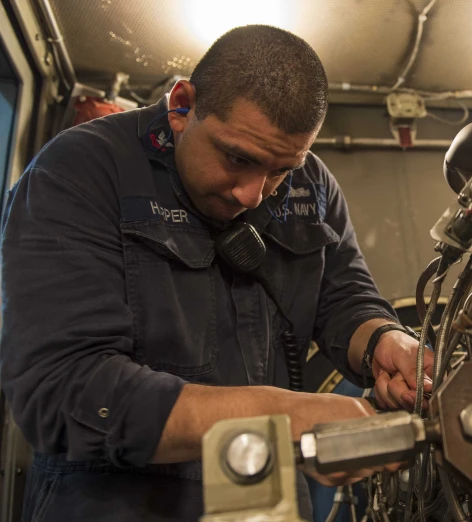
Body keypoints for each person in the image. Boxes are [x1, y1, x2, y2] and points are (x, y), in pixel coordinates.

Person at [0, 25, 434, 521]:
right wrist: (283, 415)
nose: (254, 194)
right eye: (237, 157)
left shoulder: (311, 184)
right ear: (182, 104)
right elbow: (61, 390)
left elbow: (343, 296)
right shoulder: (80, 170)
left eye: (279, 170)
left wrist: (384, 341)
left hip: (267, 502)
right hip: (117, 505)